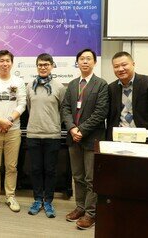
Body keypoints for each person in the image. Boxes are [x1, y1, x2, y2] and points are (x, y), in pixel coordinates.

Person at [61, 48, 108, 230]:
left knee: (91, 178)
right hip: (74, 138)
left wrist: (81, 130)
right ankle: (80, 207)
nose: (85, 62)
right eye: (82, 59)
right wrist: (72, 128)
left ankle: (91, 213)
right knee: (77, 176)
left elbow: (101, 112)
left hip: (91, 139)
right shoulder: (72, 85)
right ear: (77, 62)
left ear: (94, 62)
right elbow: (65, 109)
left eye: (89, 59)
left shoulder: (101, 84)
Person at [0, 50, 26, 213]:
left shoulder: (19, 81)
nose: (5, 63)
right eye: (2, 61)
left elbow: (22, 104)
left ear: (12, 63)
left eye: (8, 61)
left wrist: (8, 121)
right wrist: (1, 121)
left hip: (13, 129)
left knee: (11, 166)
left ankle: (10, 196)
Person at [26, 53, 65, 218]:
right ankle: (37, 199)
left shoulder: (59, 87)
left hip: (52, 136)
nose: (43, 67)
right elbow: (29, 108)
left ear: (52, 66)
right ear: (37, 66)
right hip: (33, 134)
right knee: (35, 170)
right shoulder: (30, 86)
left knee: (50, 170)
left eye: (46, 65)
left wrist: (52, 124)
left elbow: (63, 111)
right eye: (40, 65)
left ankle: (48, 201)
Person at [107, 51, 148, 141]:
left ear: (133, 64)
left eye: (124, 65)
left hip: (144, 138)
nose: (120, 69)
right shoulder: (111, 87)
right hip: (119, 139)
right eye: (116, 66)